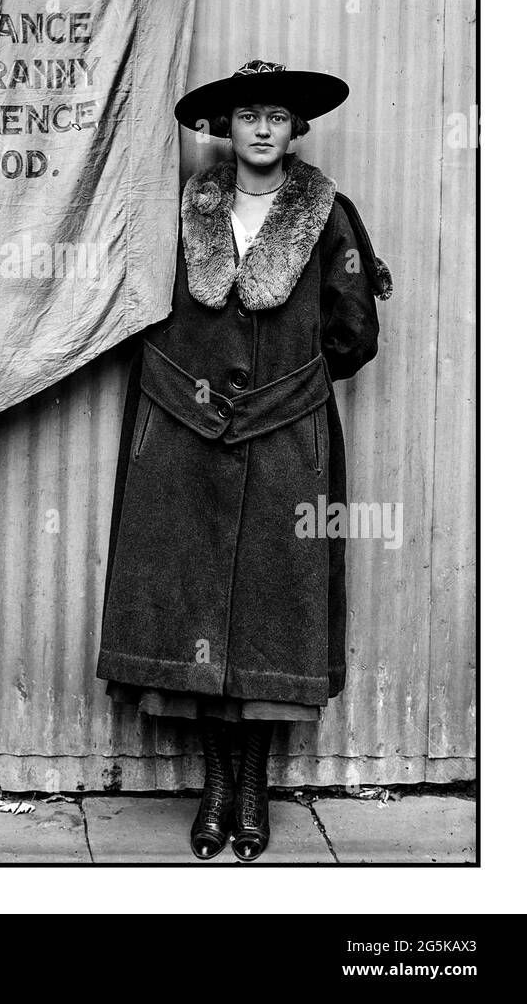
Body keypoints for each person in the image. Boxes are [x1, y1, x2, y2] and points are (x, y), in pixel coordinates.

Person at [97, 59, 392, 862]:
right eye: (247, 116)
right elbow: (134, 311)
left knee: (266, 613)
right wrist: (181, 394)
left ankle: (252, 792)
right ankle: (215, 792)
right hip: (182, 436)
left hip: (286, 439)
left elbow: (354, 334)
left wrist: (285, 393)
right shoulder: (184, 212)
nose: (262, 129)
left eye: (277, 117)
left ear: (297, 129)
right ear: (224, 130)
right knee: (193, 605)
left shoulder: (329, 217)